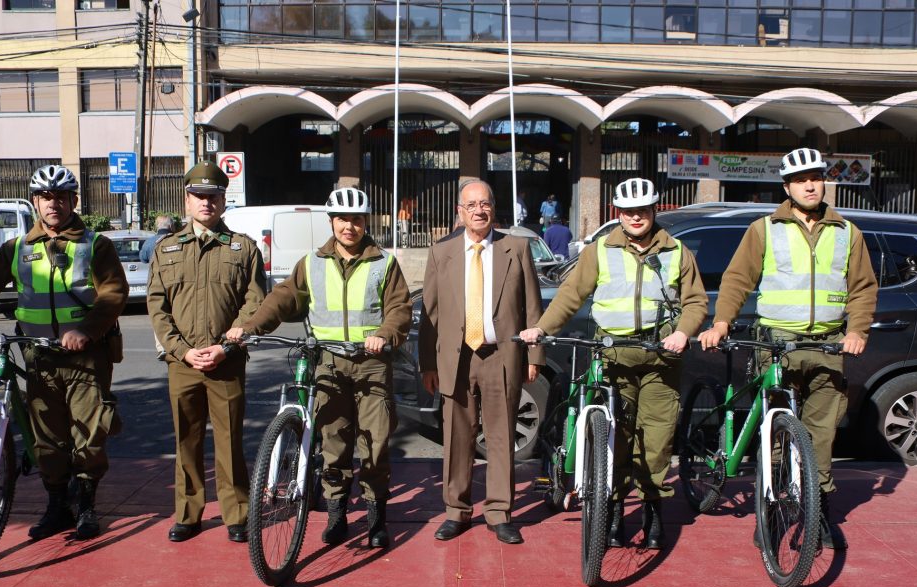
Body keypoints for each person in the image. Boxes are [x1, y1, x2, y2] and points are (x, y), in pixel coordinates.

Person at [0, 164, 128, 541]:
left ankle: (85, 503)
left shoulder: (96, 245)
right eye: (46, 197)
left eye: (62, 197)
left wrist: (85, 330)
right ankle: (57, 507)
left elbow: (114, 294)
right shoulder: (17, 248)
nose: (54, 204)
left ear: (73, 201)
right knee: (46, 438)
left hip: (86, 357)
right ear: (36, 202)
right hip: (39, 356)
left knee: (88, 435)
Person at [699, 147, 878, 550]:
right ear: (787, 187)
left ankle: (818, 515)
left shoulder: (847, 232)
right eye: (800, 180)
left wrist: (858, 330)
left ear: (824, 180)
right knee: (776, 435)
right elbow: (737, 279)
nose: (810, 184)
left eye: (816, 176)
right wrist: (722, 321)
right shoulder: (764, 229)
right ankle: (770, 511)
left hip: (829, 345)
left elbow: (863, 288)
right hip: (776, 343)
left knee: (821, 437)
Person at [520, 177, 707, 549]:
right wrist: (541, 328)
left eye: (642, 210)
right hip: (613, 358)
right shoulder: (600, 250)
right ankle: (617, 510)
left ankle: (653, 511)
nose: (635, 217)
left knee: (655, 440)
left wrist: (683, 332)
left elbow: (697, 302)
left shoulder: (677, 252)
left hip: (660, 359)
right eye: (628, 212)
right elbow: (571, 295)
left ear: (655, 211)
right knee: (617, 440)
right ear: (618, 214)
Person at [226, 187, 411, 548]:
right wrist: (249, 328)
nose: (350, 227)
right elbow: (282, 299)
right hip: (327, 363)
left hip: (371, 365)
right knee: (333, 443)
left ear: (365, 222)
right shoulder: (311, 263)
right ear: (332, 221)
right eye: (343, 219)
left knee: (375, 445)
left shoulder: (384, 263)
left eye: (357, 219)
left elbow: (399, 309)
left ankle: (376, 520)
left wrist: (386, 333)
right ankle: (337, 515)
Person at [419, 179, 544, 545]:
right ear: (459, 212)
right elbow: (431, 313)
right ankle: (456, 511)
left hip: (500, 354)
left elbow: (532, 306)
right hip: (456, 358)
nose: (479, 210)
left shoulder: (516, 248)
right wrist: (428, 363)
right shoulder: (441, 252)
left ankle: (499, 513)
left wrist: (533, 354)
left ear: (494, 208)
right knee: (457, 437)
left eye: (485, 203)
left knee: (502, 434)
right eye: (471, 205)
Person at [147, 161, 266, 544]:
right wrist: (182, 351)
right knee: (186, 440)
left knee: (230, 441)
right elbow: (157, 307)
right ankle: (187, 514)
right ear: (186, 199)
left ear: (223, 199)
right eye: (199, 196)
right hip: (182, 364)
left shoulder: (243, 249)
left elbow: (255, 304)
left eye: (213, 196)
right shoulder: (166, 249)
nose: (206, 203)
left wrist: (226, 345)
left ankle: (237, 514)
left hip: (226, 362)